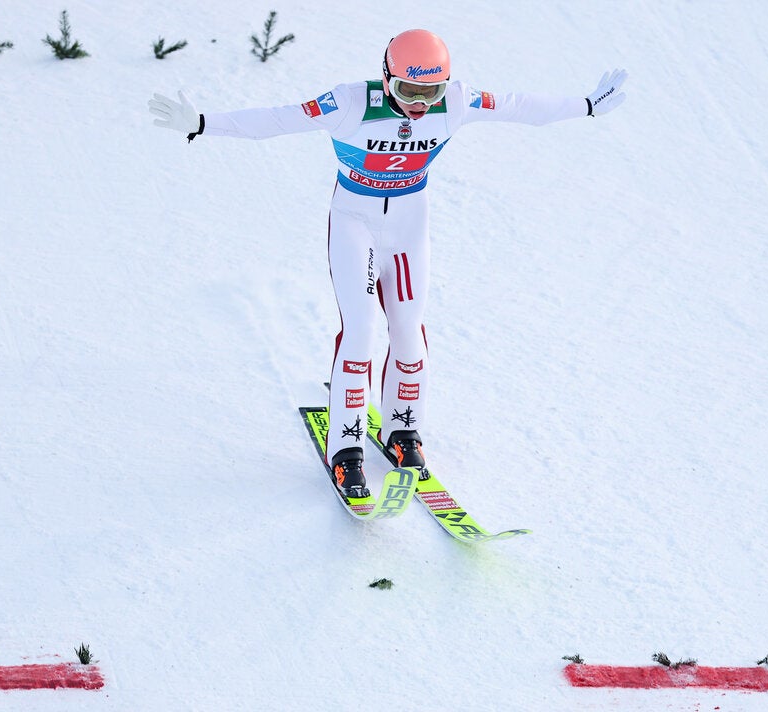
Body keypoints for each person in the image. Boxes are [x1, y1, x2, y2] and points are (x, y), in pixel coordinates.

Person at [149, 29, 627, 498]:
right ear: (386, 78)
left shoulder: (456, 102)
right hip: (355, 222)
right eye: (408, 90)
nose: (420, 103)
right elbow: (279, 119)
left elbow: (522, 108)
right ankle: (347, 450)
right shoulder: (350, 104)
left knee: (409, 336)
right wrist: (204, 123)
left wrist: (586, 105)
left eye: (430, 91)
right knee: (360, 334)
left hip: (407, 226)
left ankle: (403, 432)